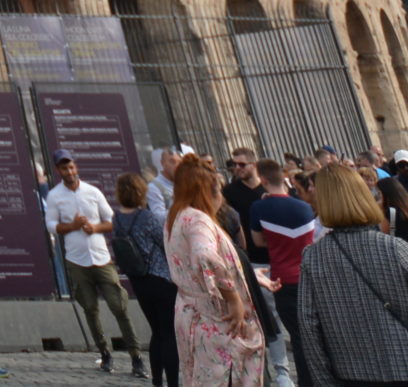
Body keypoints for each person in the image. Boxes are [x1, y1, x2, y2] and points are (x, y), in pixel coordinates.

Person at [295, 164, 408, 387]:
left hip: (354, 376)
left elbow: (309, 327)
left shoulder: (313, 257)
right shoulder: (397, 248)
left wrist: (324, 382)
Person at [164, 154, 262, 387]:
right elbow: (204, 255)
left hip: (191, 313)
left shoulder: (177, 216)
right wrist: (232, 296)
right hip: (214, 316)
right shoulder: (198, 220)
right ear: (209, 192)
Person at [47, 153, 142, 373]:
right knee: (90, 307)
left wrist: (95, 228)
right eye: (64, 169)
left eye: (70, 167)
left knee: (118, 305)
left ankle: (135, 355)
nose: (69, 172)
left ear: (75, 167)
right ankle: (104, 352)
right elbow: (51, 224)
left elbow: (111, 221)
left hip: (101, 257)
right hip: (77, 259)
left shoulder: (92, 191)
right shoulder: (55, 195)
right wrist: (71, 226)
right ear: (58, 171)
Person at [244, 157, 319, 372]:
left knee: (297, 336)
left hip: (282, 278)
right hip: (307, 275)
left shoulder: (259, 207)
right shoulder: (304, 207)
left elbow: (258, 241)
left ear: (264, 179)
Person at [111, 172, 178, 387]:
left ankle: (157, 381)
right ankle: (173, 382)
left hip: (138, 280)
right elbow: (164, 242)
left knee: (156, 332)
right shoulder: (146, 217)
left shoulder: (117, 218)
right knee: (169, 334)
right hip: (160, 278)